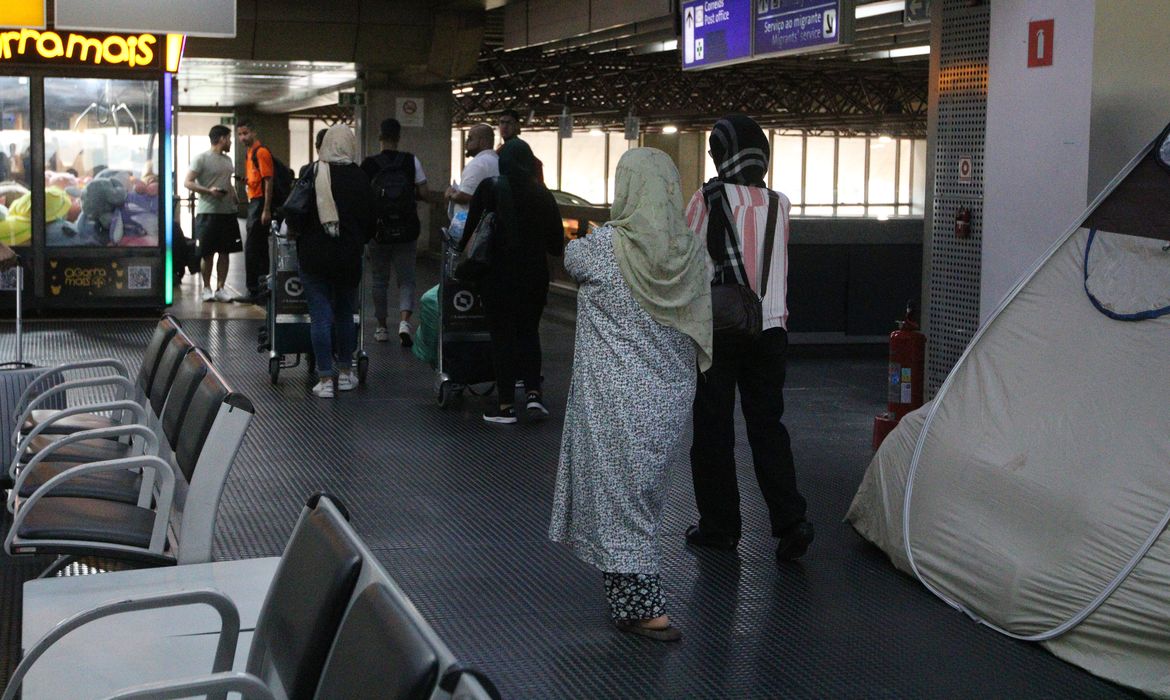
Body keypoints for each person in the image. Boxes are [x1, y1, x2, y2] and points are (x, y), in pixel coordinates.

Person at [549, 148, 713, 642]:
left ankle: (649, 610)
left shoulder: (601, 251)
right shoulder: (693, 254)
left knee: (624, 502)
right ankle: (627, 600)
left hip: (617, 401)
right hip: (667, 401)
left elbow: (569, 255)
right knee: (640, 497)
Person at [685, 114, 816, 563]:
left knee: (713, 428)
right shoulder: (781, 203)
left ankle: (720, 528)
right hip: (773, 330)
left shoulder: (706, 200)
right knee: (767, 426)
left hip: (721, 330)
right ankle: (791, 520)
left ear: (722, 154)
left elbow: (688, 261)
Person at [461, 139, 563, 424]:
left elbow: (471, 233)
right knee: (529, 333)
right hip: (533, 277)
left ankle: (505, 405)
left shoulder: (489, 187)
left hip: (496, 277)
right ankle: (533, 395)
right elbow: (556, 245)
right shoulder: (542, 194)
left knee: (502, 337)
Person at [296, 125, 376, 399]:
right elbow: (370, 223)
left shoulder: (312, 172)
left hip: (314, 256)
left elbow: (295, 214)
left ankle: (325, 379)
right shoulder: (361, 177)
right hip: (348, 258)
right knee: (344, 314)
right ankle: (344, 373)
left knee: (319, 316)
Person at [360, 118, 427, 347]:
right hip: (407, 230)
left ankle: (381, 327)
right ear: (398, 137)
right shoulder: (411, 161)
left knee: (379, 280)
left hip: (378, 231)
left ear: (380, 136)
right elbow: (424, 191)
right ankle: (404, 323)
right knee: (406, 278)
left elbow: (362, 196)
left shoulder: (368, 164)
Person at [184, 125, 240, 302]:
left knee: (225, 252)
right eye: (229, 138)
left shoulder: (228, 160)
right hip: (208, 212)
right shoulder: (201, 158)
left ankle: (221, 289)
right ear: (222, 139)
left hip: (227, 213)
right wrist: (209, 191)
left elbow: (227, 183)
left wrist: (235, 196)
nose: (230, 142)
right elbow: (188, 182)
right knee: (207, 253)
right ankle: (206, 288)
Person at [237, 120, 274, 304]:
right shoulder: (249, 153)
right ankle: (262, 290)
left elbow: (268, 181)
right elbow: (257, 179)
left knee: (253, 248)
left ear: (253, 132)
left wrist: (266, 209)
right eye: (239, 134)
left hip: (259, 204)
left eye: (245, 133)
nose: (242, 137)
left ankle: (254, 290)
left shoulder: (261, 152)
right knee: (258, 247)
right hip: (254, 201)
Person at [444, 123, 498, 220]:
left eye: (470, 138)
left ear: (483, 142)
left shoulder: (478, 164)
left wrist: (451, 194)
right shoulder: (495, 160)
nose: (467, 142)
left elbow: (466, 196)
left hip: (472, 225)